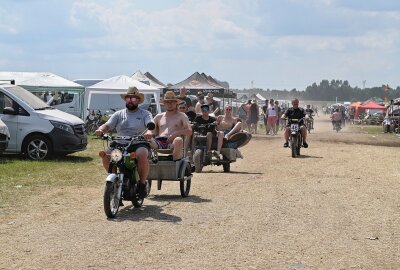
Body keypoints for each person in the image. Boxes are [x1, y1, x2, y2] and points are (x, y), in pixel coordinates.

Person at [95, 86, 153, 199]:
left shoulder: (145, 113)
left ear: (138, 101)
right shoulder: (119, 114)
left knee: (142, 155)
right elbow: (107, 125)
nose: (131, 101)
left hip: (138, 142)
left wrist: (149, 132)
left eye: (134, 99)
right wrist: (101, 130)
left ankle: (142, 184)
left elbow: (150, 124)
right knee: (106, 155)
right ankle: (114, 180)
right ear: (125, 99)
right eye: (128, 98)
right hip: (119, 143)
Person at [146, 91, 192, 161]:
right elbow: (150, 129)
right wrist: (148, 133)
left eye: (172, 102)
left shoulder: (182, 116)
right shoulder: (159, 116)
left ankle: (174, 162)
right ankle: (148, 163)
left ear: (176, 103)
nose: (170, 104)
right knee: (146, 140)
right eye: (167, 102)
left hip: (173, 142)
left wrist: (175, 134)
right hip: (159, 142)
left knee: (178, 140)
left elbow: (189, 131)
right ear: (164, 103)